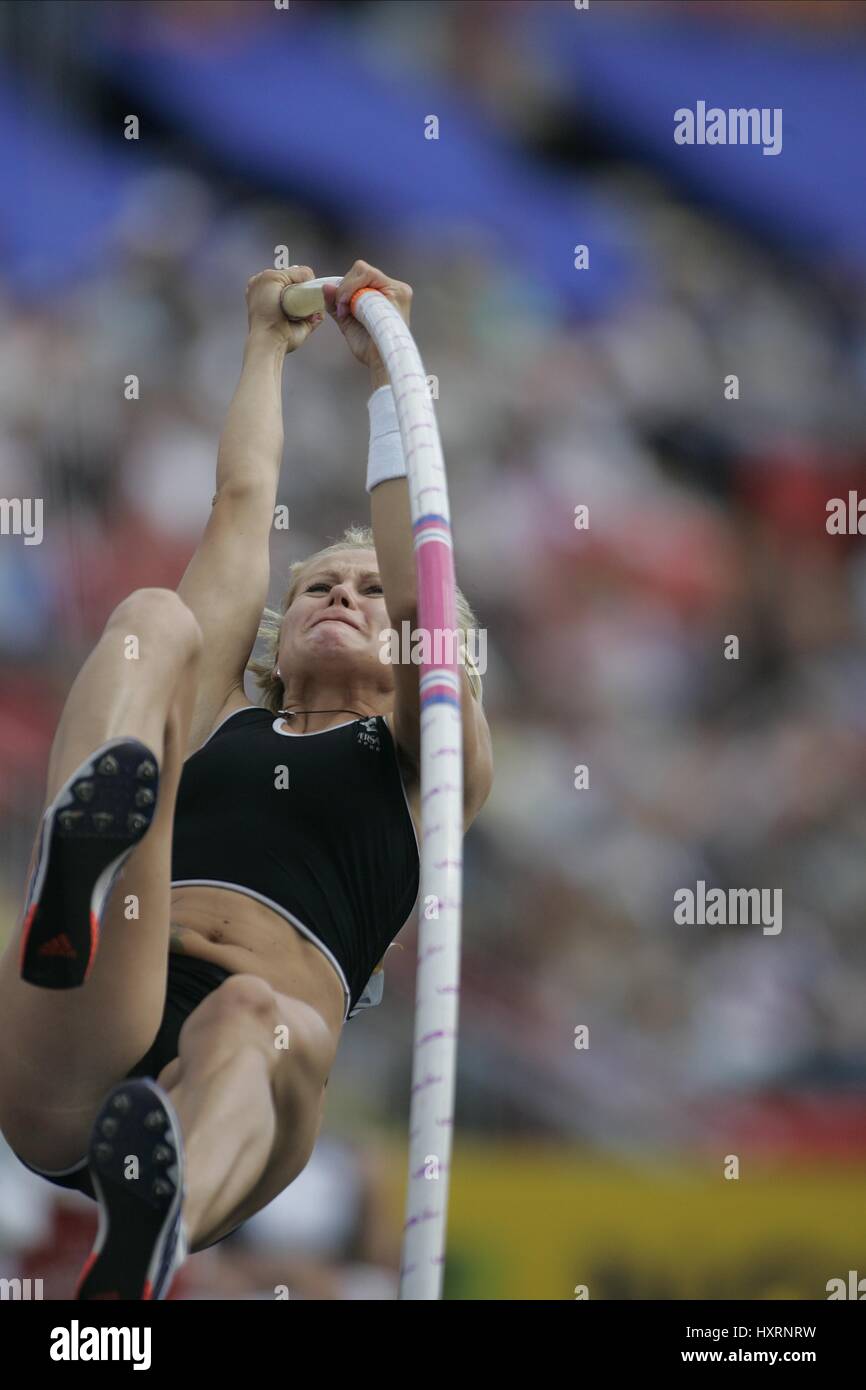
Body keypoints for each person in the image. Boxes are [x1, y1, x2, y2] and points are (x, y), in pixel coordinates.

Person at [0, 261, 493, 1300]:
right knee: (153, 621)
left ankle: (152, 1222)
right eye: (316, 582)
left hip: (243, 1074)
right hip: (98, 1006)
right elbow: (238, 505)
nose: (338, 597)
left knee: (256, 1016)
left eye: (362, 590)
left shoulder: (425, 759)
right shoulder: (230, 713)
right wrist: (265, 345)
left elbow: (419, 595)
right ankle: (72, 872)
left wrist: (381, 385)